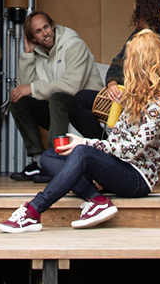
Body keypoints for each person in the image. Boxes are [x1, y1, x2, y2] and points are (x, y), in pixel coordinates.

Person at [0, 29, 160, 232]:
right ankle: (96, 200)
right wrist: (100, 168)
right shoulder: (133, 97)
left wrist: (87, 144)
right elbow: (117, 138)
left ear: (141, 64)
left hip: (137, 179)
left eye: (130, 59)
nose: (126, 65)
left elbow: (133, 149)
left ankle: (33, 211)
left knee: (82, 152)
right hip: (118, 167)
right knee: (50, 157)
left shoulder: (159, 105)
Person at [7, 11, 107, 182]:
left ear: (52, 26)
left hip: (86, 112)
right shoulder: (37, 52)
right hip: (59, 111)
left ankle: (53, 160)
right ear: (33, 38)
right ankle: (38, 161)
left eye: (46, 27)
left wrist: (32, 88)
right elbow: (26, 88)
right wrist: (28, 55)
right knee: (19, 101)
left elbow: (71, 87)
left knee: (58, 97)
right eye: (38, 31)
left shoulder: (74, 45)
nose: (45, 33)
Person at [75, 0, 160, 126]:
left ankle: (105, 145)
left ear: (146, 14)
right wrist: (112, 84)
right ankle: (104, 143)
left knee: (80, 101)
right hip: (123, 95)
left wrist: (131, 92)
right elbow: (118, 62)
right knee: (79, 101)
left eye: (137, 13)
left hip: (144, 99)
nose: (133, 17)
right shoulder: (136, 34)